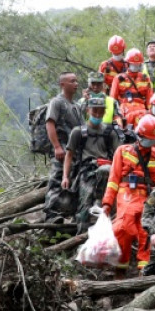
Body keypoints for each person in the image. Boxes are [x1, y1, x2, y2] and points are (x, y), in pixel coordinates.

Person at [100, 115, 155, 278]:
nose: (151, 143)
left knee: (145, 231)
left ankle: (143, 272)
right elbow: (113, 180)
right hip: (127, 195)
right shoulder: (123, 151)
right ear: (140, 135)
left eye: (154, 140)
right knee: (123, 228)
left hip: (148, 196)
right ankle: (120, 270)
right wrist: (107, 205)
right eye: (149, 139)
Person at [61, 96, 120, 235]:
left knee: (112, 206)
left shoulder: (110, 132)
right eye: (94, 112)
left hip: (107, 173)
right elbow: (69, 155)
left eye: (100, 112)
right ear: (88, 111)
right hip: (86, 173)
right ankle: (81, 239)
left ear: (105, 112)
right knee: (84, 209)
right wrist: (65, 177)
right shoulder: (78, 132)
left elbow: (119, 155)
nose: (97, 115)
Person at [42, 72, 83, 222]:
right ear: (63, 84)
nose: (76, 84)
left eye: (76, 81)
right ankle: (51, 215)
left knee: (72, 181)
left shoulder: (76, 106)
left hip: (74, 152)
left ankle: (67, 214)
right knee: (56, 180)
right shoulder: (57, 102)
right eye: (72, 81)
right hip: (62, 150)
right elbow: (50, 123)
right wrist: (57, 147)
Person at [110, 48, 153, 132]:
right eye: (133, 64)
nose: (135, 66)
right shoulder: (118, 78)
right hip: (125, 111)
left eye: (137, 64)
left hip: (142, 111)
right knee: (119, 130)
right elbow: (113, 100)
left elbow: (150, 100)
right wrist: (116, 116)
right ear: (128, 63)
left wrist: (150, 113)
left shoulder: (145, 79)